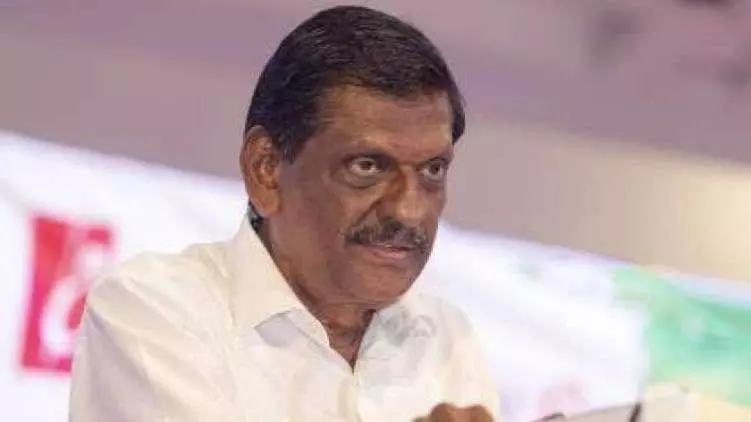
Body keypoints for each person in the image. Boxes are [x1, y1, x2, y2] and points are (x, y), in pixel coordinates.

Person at [70, 5, 499, 422]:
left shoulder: (444, 337)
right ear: (266, 170)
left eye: (432, 170)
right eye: (367, 167)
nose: (408, 210)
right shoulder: (154, 308)